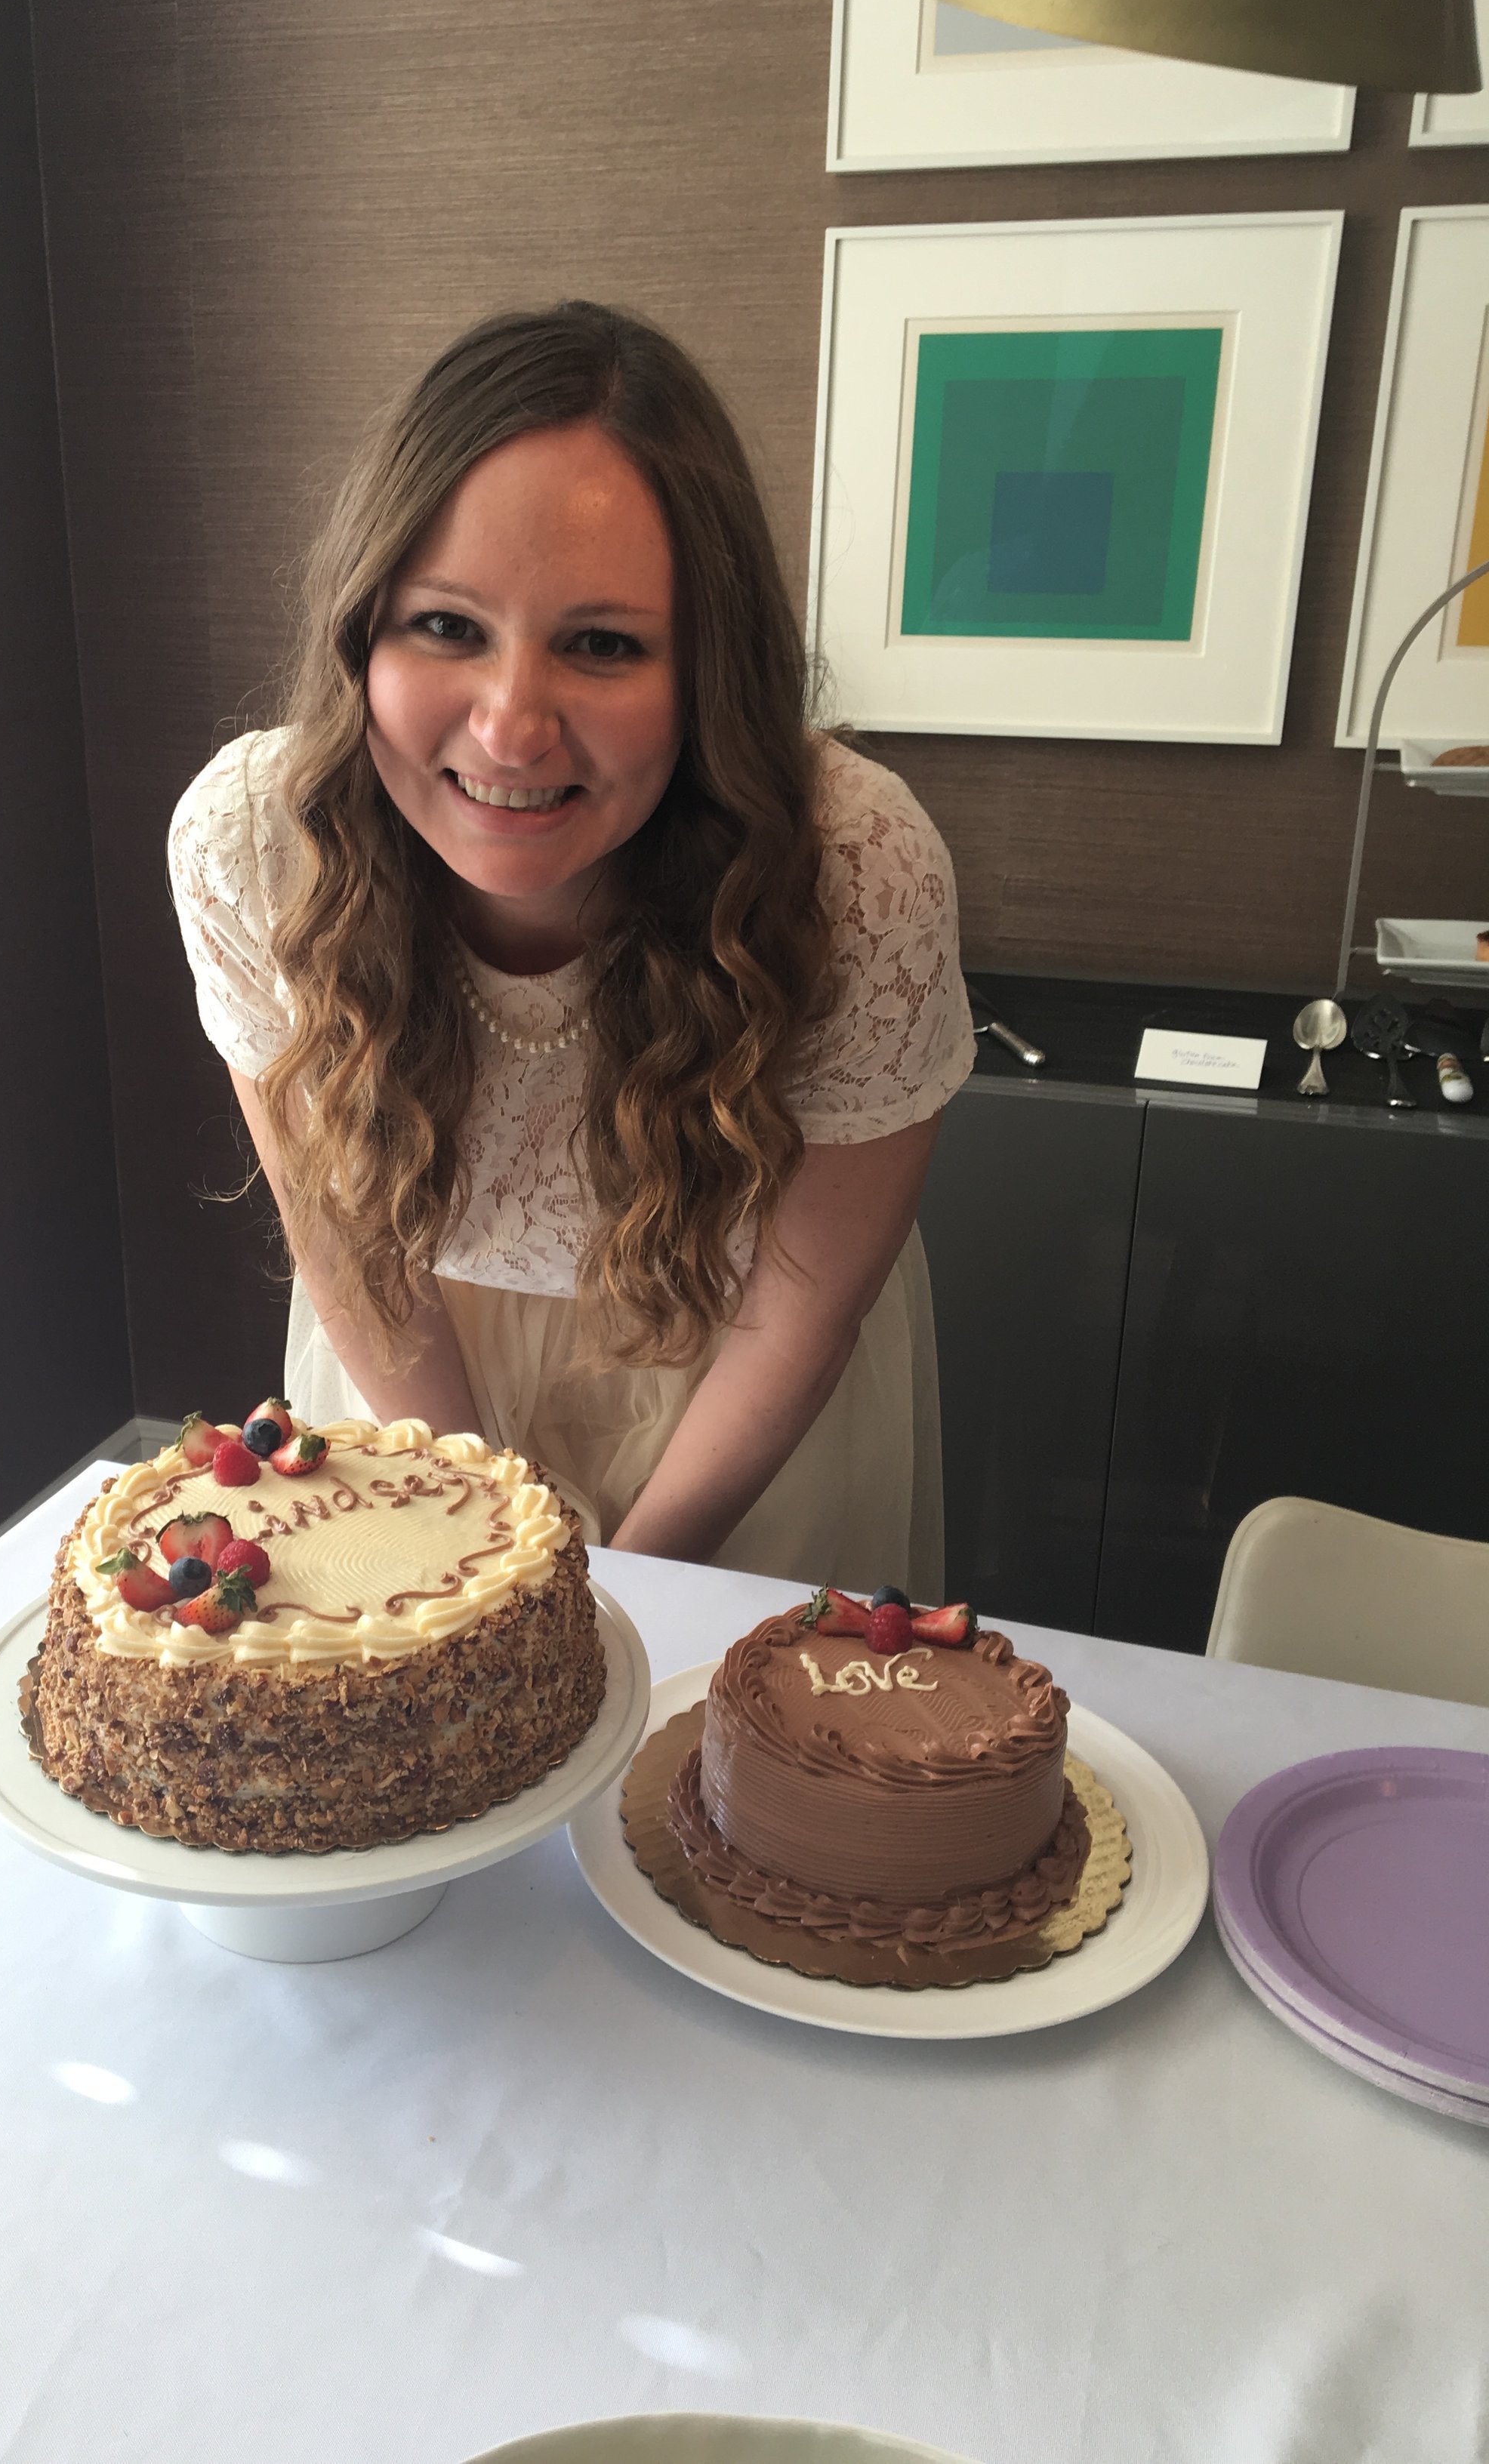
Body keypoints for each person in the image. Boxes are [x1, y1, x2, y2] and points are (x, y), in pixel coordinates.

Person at [168, 301, 974, 1597]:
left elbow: (803, 1311)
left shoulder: (858, 869)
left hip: (743, 1423)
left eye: (601, 644)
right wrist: (496, 1553)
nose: (509, 728)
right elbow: (349, 1253)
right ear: (362, 629)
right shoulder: (260, 846)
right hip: (415, 1390)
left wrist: (626, 1586)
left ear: (710, 670)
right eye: (447, 626)